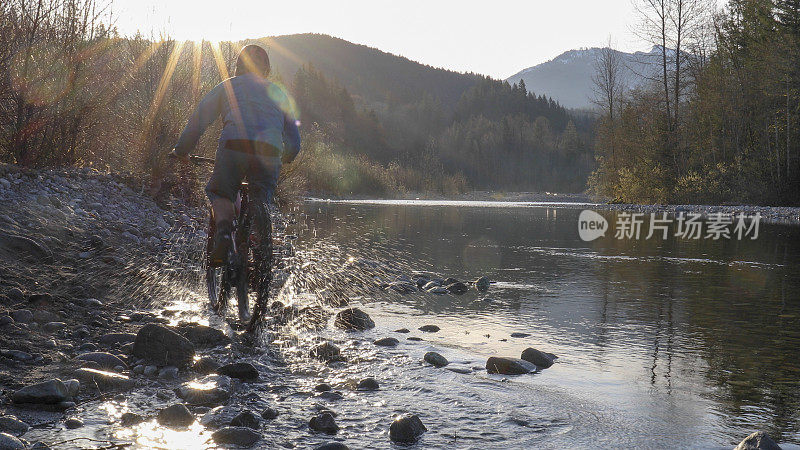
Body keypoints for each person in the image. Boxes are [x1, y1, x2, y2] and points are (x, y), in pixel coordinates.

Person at [169, 44, 300, 265]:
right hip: (270, 152)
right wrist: (286, 156)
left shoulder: (228, 86)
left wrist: (181, 150)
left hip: (233, 145)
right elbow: (294, 140)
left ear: (238, 67)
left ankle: (222, 233)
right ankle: (260, 246)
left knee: (221, 191)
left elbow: (198, 120)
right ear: (266, 70)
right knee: (262, 196)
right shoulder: (278, 93)